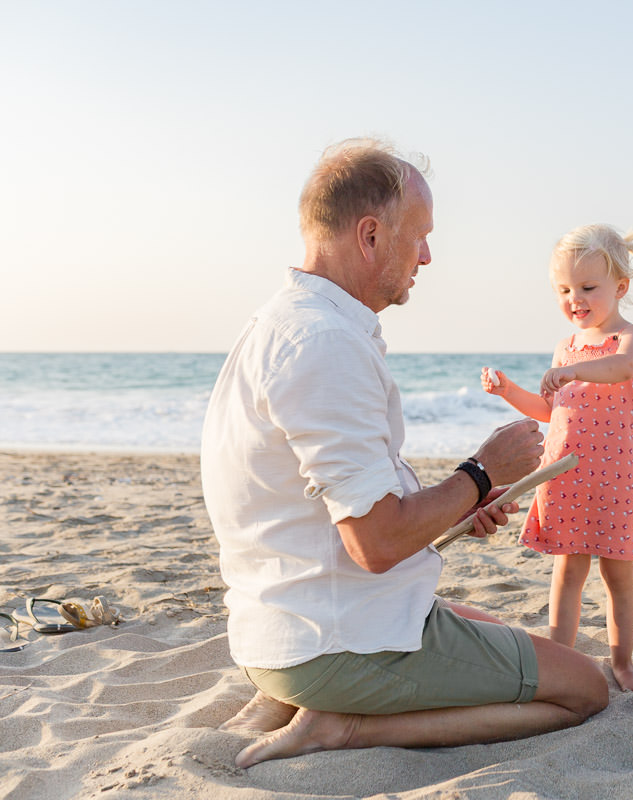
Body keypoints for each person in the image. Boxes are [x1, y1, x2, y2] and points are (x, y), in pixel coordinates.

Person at [201, 138, 608, 769]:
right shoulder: (324, 344)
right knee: (584, 688)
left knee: (510, 638)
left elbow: (342, 517)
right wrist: (479, 473)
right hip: (336, 642)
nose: (426, 256)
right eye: (417, 235)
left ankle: (305, 699)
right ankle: (346, 727)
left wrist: (455, 507)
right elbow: (377, 543)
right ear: (369, 236)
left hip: (286, 626)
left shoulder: (282, 322)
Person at [481, 224, 633, 691]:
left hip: (615, 480)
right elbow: (551, 410)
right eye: (564, 289)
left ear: (620, 288)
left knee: (618, 575)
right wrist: (510, 390)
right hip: (566, 478)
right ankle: (561, 656)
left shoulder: (630, 338)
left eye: (587, 287)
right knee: (567, 572)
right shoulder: (565, 347)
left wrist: (572, 369)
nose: (574, 297)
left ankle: (622, 662)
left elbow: (624, 369)